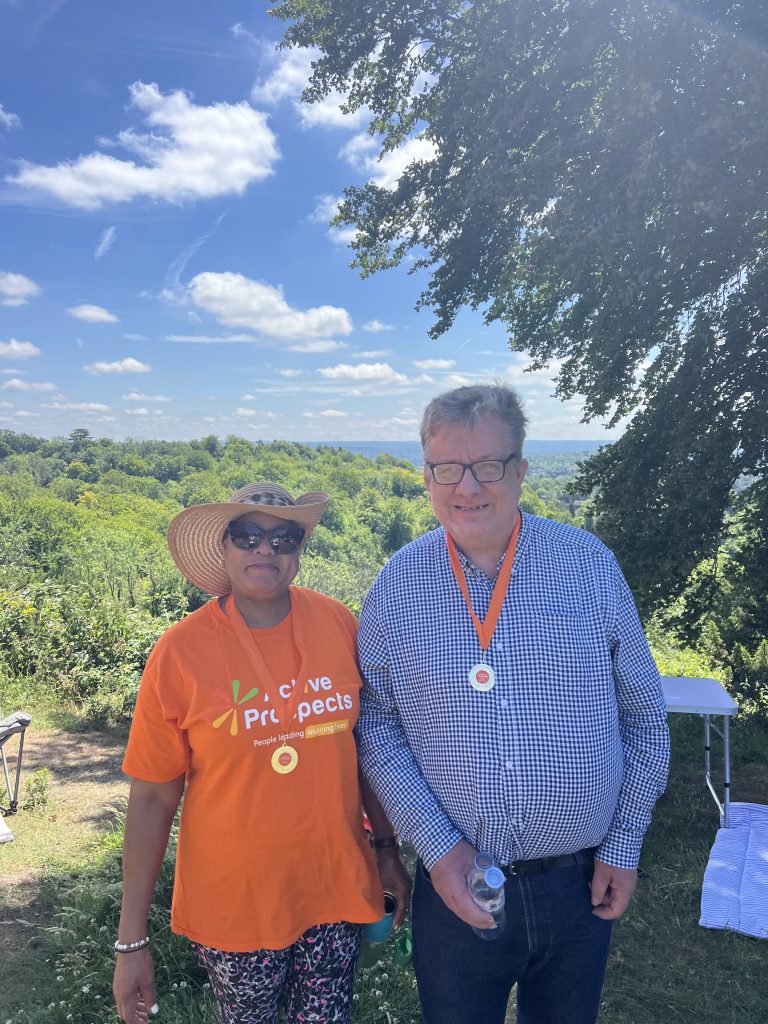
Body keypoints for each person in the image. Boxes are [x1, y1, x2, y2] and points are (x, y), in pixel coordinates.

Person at [355, 385, 670, 1024]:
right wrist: (438, 848)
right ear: (427, 476)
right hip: (453, 883)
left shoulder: (589, 566)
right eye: (448, 468)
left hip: (579, 884)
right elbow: (378, 725)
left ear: (521, 470)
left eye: (489, 465)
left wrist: (623, 843)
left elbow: (643, 717)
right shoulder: (395, 587)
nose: (468, 486)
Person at [112, 482, 410, 1024]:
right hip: (235, 906)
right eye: (247, 535)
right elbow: (153, 797)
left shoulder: (339, 623)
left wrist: (387, 850)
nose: (266, 548)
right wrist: (131, 941)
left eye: (284, 537)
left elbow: (365, 747)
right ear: (223, 548)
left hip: (335, 890)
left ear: (300, 549)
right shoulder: (179, 652)